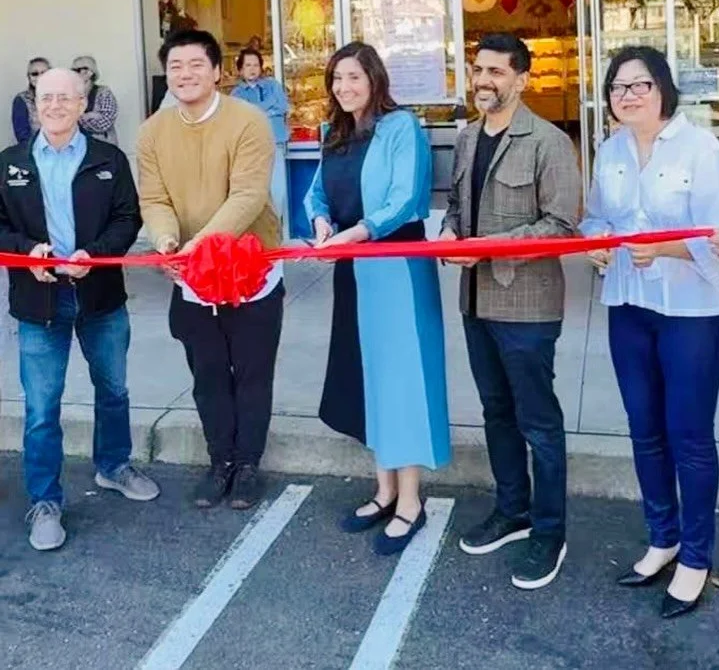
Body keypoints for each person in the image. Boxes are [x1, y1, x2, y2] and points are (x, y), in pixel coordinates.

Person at [581, 46, 719, 619]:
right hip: (630, 304)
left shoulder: (703, 150)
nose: (627, 96)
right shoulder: (610, 151)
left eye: (639, 85)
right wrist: (597, 242)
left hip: (693, 312)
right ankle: (662, 538)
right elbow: (597, 217)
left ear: (663, 89)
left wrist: (665, 248)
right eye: (618, 88)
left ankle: (696, 556)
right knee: (644, 429)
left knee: (688, 435)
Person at [441, 33, 580, 590]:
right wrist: (451, 232)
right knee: (495, 412)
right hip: (476, 301)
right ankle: (512, 509)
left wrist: (487, 248)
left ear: (521, 80)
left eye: (497, 72)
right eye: (479, 69)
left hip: (527, 307)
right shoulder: (467, 138)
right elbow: (456, 206)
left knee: (539, 423)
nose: (484, 81)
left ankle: (550, 531)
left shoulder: (548, 142)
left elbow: (561, 225)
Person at [0, 68, 159, 552]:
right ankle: (45, 501)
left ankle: (113, 466)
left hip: (100, 295)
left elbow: (128, 218)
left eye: (64, 97)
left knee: (113, 389)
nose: (53, 105)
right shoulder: (10, 163)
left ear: (81, 101)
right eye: (45, 97)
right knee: (42, 409)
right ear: (35, 103)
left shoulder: (108, 159)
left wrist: (97, 251)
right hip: (38, 301)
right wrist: (30, 253)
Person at [305, 41, 450, 556]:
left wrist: (357, 232)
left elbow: (406, 200)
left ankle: (410, 500)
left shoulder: (402, 127)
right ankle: (384, 490)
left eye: (353, 77)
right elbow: (317, 193)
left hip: (395, 265)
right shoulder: (337, 134)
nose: (344, 87)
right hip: (354, 266)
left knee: (401, 380)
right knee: (368, 377)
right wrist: (322, 222)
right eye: (336, 79)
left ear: (374, 79)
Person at [136, 29, 283, 511]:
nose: (186, 74)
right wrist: (164, 240)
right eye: (175, 66)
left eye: (196, 64)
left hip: (250, 269)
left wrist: (201, 244)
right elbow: (154, 199)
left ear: (218, 71)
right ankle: (219, 460)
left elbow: (247, 195)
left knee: (252, 371)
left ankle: (248, 465)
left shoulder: (249, 122)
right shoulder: (152, 132)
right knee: (208, 372)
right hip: (192, 276)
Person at [231, 47, 289, 221]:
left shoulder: (273, 85)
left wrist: (257, 112)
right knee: (258, 191)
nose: (252, 68)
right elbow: (243, 118)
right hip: (252, 148)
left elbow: (282, 107)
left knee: (278, 189)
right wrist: (268, 110)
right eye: (248, 65)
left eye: (256, 65)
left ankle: (279, 228)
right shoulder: (237, 93)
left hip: (276, 142)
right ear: (240, 69)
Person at [71, 55, 119, 144]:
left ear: (90, 72)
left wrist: (79, 118)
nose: (74, 74)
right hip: (79, 148)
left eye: (78, 70)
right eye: (72, 70)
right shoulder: (70, 95)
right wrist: (92, 115)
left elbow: (104, 124)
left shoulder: (104, 92)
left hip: (104, 147)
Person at [12, 57, 50, 143]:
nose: (40, 77)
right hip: (34, 150)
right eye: (34, 74)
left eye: (44, 73)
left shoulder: (62, 97)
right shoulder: (22, 99)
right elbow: (23, 136)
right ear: (29, 77)